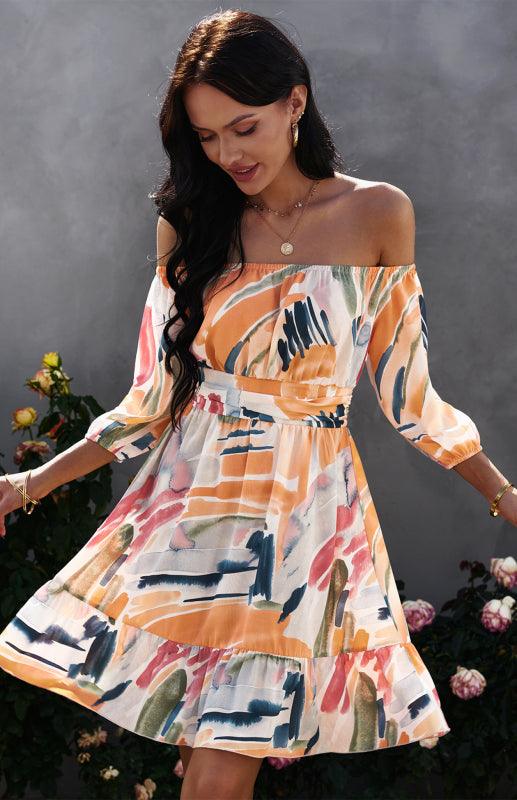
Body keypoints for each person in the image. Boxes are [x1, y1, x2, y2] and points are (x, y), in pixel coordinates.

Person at [0, 8, 515, 800]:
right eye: (207, 137)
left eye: (243, 128)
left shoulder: (378, 213)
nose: (227, 154)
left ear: (294, 102)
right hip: (192, 510)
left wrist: (501, 495)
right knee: (206, 765)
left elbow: (409, 398)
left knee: (218, 765)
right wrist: (27, 486)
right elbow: (152, 400)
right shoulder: (191, 223)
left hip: (301, 521)